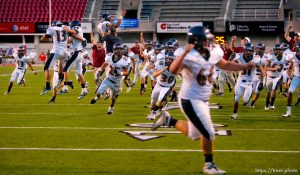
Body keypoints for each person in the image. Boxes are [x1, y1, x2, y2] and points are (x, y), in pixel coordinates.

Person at [152, 26, 255, 175]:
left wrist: (243, 66)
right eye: (206, 40)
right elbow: (173, 70)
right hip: (190, 99)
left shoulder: (213, 51)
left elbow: (224, 64)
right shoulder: (186, 54)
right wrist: (184, 53)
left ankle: (169, 121)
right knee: (209, 133)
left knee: (196, 135)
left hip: (203, 99)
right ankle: (209, 165)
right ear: (196, 41)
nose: (210, 42)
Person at [90, 43, 130, 115]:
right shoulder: (109, 56)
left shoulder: (125, 60)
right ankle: (97, 97)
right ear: (114, 50)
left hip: (116, 82)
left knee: (113, 98)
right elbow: (106, 63)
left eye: (120, 49)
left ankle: (111, 108)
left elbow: (126, 72)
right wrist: (101, 70)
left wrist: (120, 73)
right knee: (98, 92)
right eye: (117, 49)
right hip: (108, 79)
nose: (119, 51)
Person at [231, 43, 263, 120]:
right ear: (244, 50)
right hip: (240, 82)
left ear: (253, 51)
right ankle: (234, 114)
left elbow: (260, 70)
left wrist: (261, 81)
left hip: (249, 83)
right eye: (247, 51)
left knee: (245, 101)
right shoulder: (239, 56)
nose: (249, 52)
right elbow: (232, 64)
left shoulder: (256, 58)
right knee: (236, 98)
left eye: (250, 51)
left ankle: (248, 99)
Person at [40, 20, 69, 96]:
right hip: (65, 52)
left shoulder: (52, 28)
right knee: (60, 64)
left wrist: (48, 36)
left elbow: (42, 38)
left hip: (56, 51)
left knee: (46, 68)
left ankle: (47, 86)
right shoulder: (65, 29)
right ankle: (60, 79)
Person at [147, 51, 176, 120]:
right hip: (158, 84)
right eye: (169, 59)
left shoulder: (176, 66)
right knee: (153, 101)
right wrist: (162, 71)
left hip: (167, 86)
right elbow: (154, 75)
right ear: (166, 58)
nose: (170, 61)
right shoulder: (160, 63)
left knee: (161, 98)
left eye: (172, 59)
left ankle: (154, 113)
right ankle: (153, 111)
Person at [264, 43, 290, 110]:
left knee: (274, 89)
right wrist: (274, 69)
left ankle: (272, 103)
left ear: (282, 50)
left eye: (279, 50)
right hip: (269, 76)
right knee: (268, 92)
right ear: (274, 50)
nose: (278, 51)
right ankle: (267, 103)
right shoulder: (271, 57)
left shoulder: (285, 57)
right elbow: (266, 68)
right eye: (276, 50)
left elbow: (292, 61)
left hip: (278, 76)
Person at [282, 42, 300, 117]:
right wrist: (289, 72)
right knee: (290, 91)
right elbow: (288, 62)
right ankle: (288, 112)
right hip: (297, 77)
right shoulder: (292, 56)